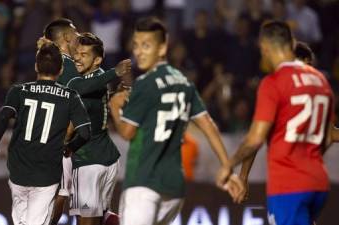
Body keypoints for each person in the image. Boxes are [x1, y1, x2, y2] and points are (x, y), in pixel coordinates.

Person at [108, 17, 243, 225]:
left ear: (162, 48)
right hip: (174, 189)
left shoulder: (145, 83)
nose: (139, 51)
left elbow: (127, 133)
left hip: (144, 181)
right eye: (136, 45)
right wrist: (227, 166)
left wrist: (115, 108)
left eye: (146, 45)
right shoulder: (184, 82)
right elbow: (208, 124)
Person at [217, 21, 336, 225]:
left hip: (289, 185)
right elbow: (327, 135)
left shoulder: (273, 83)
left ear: (264, 47)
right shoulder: (321, 81)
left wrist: (229, 166)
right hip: (318, 183)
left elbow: (255, 138)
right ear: (292, 42)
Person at [0, 42, 91, 225]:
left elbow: (2, 120)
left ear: (36, 66)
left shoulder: (19, 90)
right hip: (47, 173)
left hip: (18, 170)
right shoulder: (71, 96)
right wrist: (69, 148)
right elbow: (85, 132)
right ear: (61, 69)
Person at [51, 33, 122, 225]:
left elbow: (70, 129)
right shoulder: (99, 79)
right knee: (99, 218)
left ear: (97, 59)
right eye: (77, 53)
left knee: (83, 218)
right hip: (108, 157)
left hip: (88, 160)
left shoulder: (80, 84)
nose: (77, 57)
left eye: (84, 54)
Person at [38, 18, 131, 95]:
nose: (79, 35)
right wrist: (114, 72)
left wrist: (112, 95)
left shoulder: (63, 60)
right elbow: (79, 89)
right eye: (75, 31)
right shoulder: (62, 62)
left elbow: (82, 98)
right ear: (67, 37)